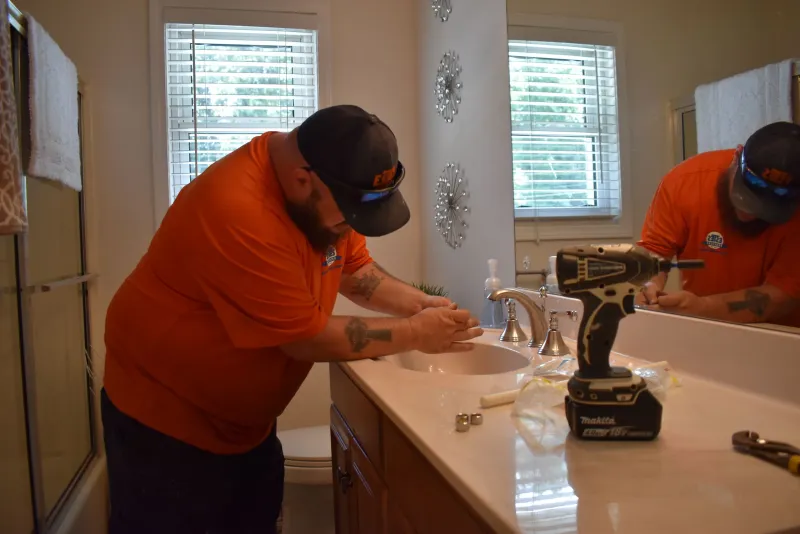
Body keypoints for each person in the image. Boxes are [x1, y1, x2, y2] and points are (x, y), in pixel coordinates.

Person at [101, 104, 483, 534]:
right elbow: (304, 338)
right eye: (349, 215)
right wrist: (414, 333)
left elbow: (354, 270)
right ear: (304, 179)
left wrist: (421, 305)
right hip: (165, 423)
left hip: (245, 425)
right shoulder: (238, 209)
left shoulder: (326, 195)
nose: (350, 225)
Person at [637, 121, 800, 328]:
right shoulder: (684, 182)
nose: (751, 212)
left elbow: (785, 293)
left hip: (780, 333)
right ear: (736, 158)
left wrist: (703, 308)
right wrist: (649, 282)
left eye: (775, 198)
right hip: (704, 328)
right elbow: (655, 251)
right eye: (751, 188)